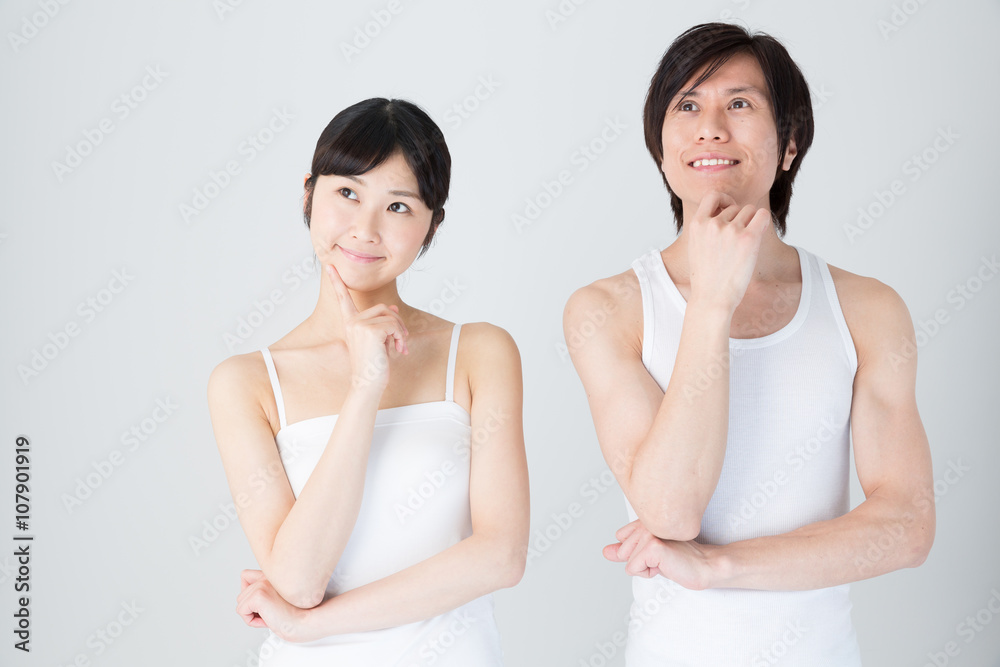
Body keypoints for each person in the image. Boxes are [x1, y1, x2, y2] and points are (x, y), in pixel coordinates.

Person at [563, 22, 935, 665]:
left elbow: (905, 527)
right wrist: (711, 302)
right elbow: (671, 512)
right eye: (687, 105)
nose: (710, 127)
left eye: (739, 103)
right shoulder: (606, 310)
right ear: (660, 145)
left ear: (789, 145)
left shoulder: (868, 309)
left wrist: (718, 566)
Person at [207, 97, 529, 666]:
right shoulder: (247, 383)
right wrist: (365, 388)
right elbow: (299, 582)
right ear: (309, 194)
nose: (366, 228)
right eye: (348, 193)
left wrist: (312, 626)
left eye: (400, 206)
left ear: (433, 223)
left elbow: (501, 555)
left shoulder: (479, 352)